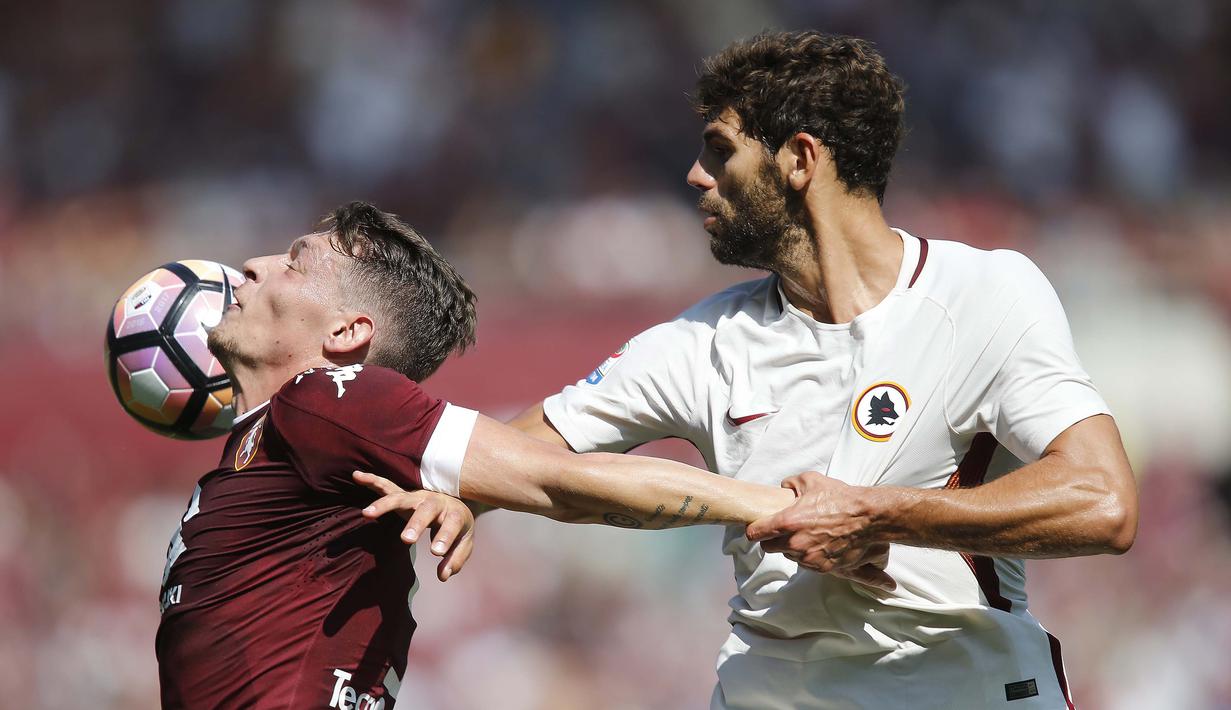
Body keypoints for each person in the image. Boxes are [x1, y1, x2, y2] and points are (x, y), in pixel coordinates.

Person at [490, 31, 1136, 709]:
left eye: (719, 149)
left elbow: (1102, 502)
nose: (694, 175)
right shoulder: (701, 341)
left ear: (799, 159)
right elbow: (512, 455)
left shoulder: (982, 292)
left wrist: (877, 517)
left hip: (965, 689)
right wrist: (440, 481)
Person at [154, 201, 795, 709]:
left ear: (346, 333)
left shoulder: (325, 399)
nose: (253, 265)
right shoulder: (275, 439)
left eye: (294, 264)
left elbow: (560, 480)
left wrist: (778, 507)